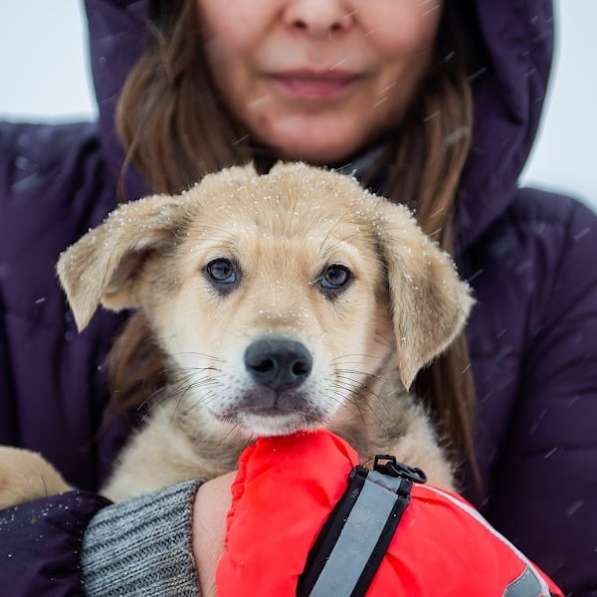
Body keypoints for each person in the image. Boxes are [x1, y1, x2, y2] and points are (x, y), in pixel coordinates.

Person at [0, 0, 595, 595]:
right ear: (140, 272)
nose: (316, 12)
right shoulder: (12, 194)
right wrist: (129, 557)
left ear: (402, 309)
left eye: (334, 276)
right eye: (224, 270)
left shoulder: (565, 265)